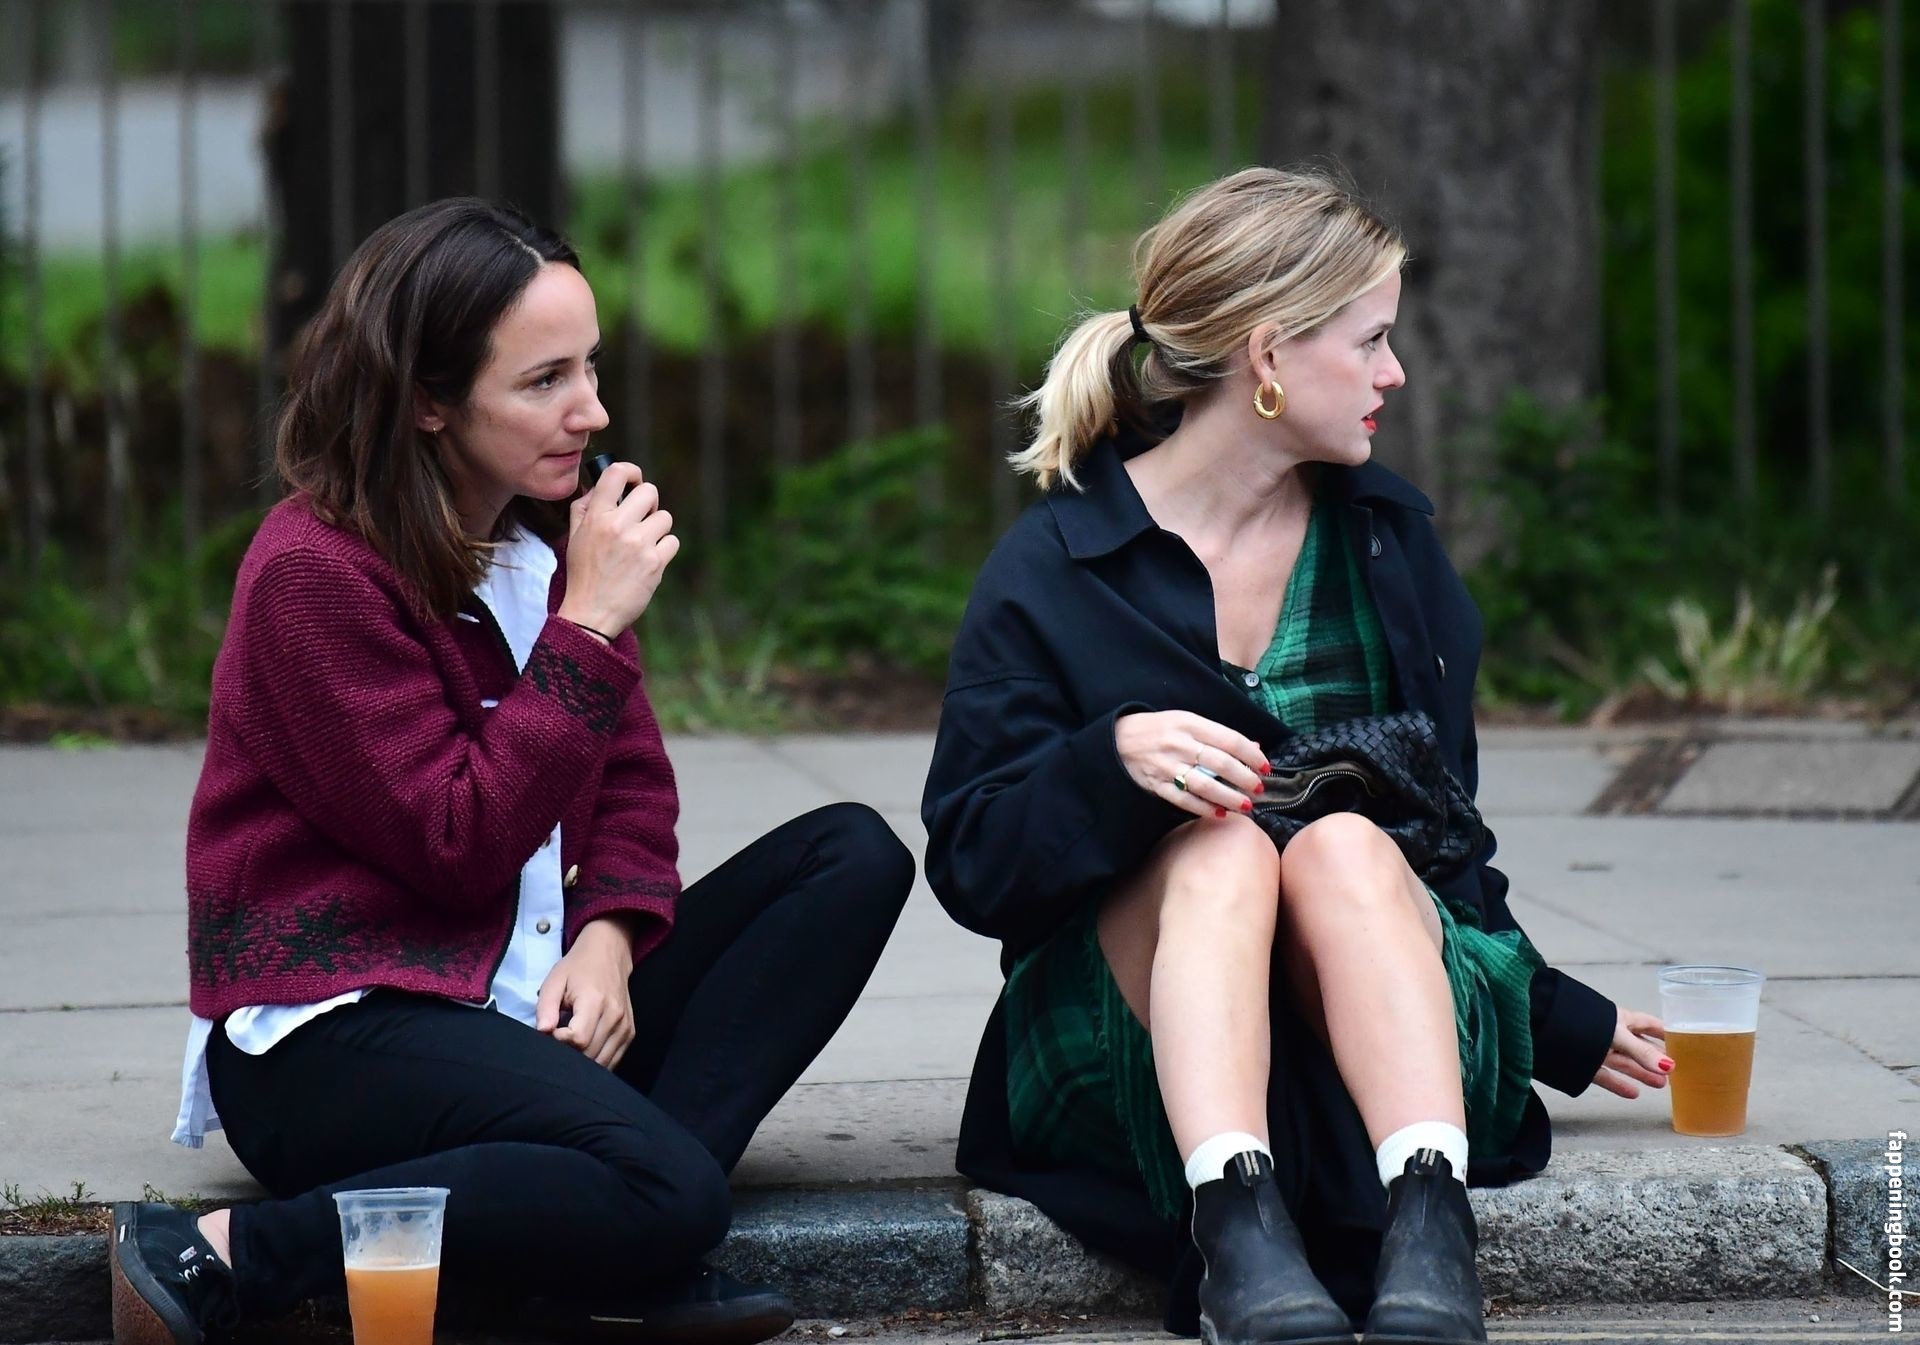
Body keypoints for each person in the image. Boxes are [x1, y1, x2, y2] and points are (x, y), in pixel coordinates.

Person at [111, 198, 915, 1345]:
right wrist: (585, 629)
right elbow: (457, 843)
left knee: (851, 856)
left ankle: (601, 1231)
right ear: (427, 400)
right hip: (342, 1032)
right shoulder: (314, 576)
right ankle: (233, 1251)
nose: (592, 410)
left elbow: (631, 786)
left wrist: (611, 934)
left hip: (518, 1001)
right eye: (544, 381)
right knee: (677, 1189)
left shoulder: (540, 545)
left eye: (591, 366)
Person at [920, 167, 1672, 1345]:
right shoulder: (1057, 567)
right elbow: (975, 862)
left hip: (1374, 1020)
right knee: (1219, 851)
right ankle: (1236, 1233)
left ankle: (1431, 1224)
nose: (1395, 373)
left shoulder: (1389, 550)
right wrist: (1108, 767)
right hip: (1134, 1039)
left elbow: (1447, 843)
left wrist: (1557, 1016)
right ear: (1268, 355)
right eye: (1371, 341)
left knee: (1343, 848)